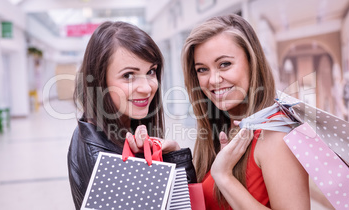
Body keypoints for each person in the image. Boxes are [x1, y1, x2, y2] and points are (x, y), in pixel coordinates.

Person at [182, 14, 310, 209]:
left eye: (224, 64)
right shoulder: (221, 127)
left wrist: (224, 177)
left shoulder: (276, 133)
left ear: (252, 62)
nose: (213, 80)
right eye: (202, 69)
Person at [67, 21, 196, 209]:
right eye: (128, 75)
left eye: (151, 71)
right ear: (99, 82)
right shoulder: (105, 158)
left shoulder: (109, 129)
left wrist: (174, 155)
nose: (146, 88)